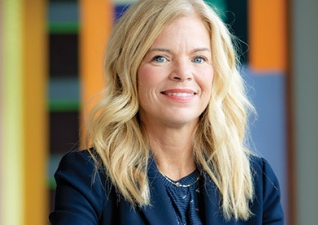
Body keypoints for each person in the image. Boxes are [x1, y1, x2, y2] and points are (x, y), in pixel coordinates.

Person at [49, 0, 284, 224]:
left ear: (217, 73)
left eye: (199, 58)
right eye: (160, 58)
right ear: (129, 71)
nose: (183, 73)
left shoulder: (256, 180)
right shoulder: (87, 176)